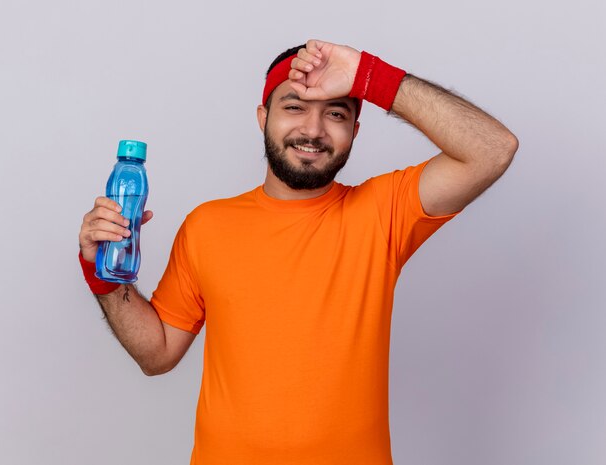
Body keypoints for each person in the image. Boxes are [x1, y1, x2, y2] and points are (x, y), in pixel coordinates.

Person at [78, 39, 518, 465]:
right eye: (294, 107)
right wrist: (102, 272)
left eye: (336, 113)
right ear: (262, 117)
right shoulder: (207, 226)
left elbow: (492, 150)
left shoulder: (383, 211)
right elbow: (156, 355)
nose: (313, 130)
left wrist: (369, 75)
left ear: (355, 131)